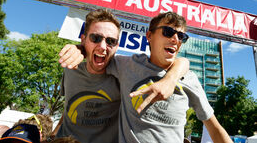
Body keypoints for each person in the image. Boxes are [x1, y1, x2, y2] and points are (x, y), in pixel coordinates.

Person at [59, 11, 233, 143]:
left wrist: (171, 79)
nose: (175, 39)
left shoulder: (189, 78)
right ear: (149, 36)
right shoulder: (127, 65)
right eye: (167, 32)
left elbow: (215, 129)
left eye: (181, 36)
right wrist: (80, 49)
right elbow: (99, 53)